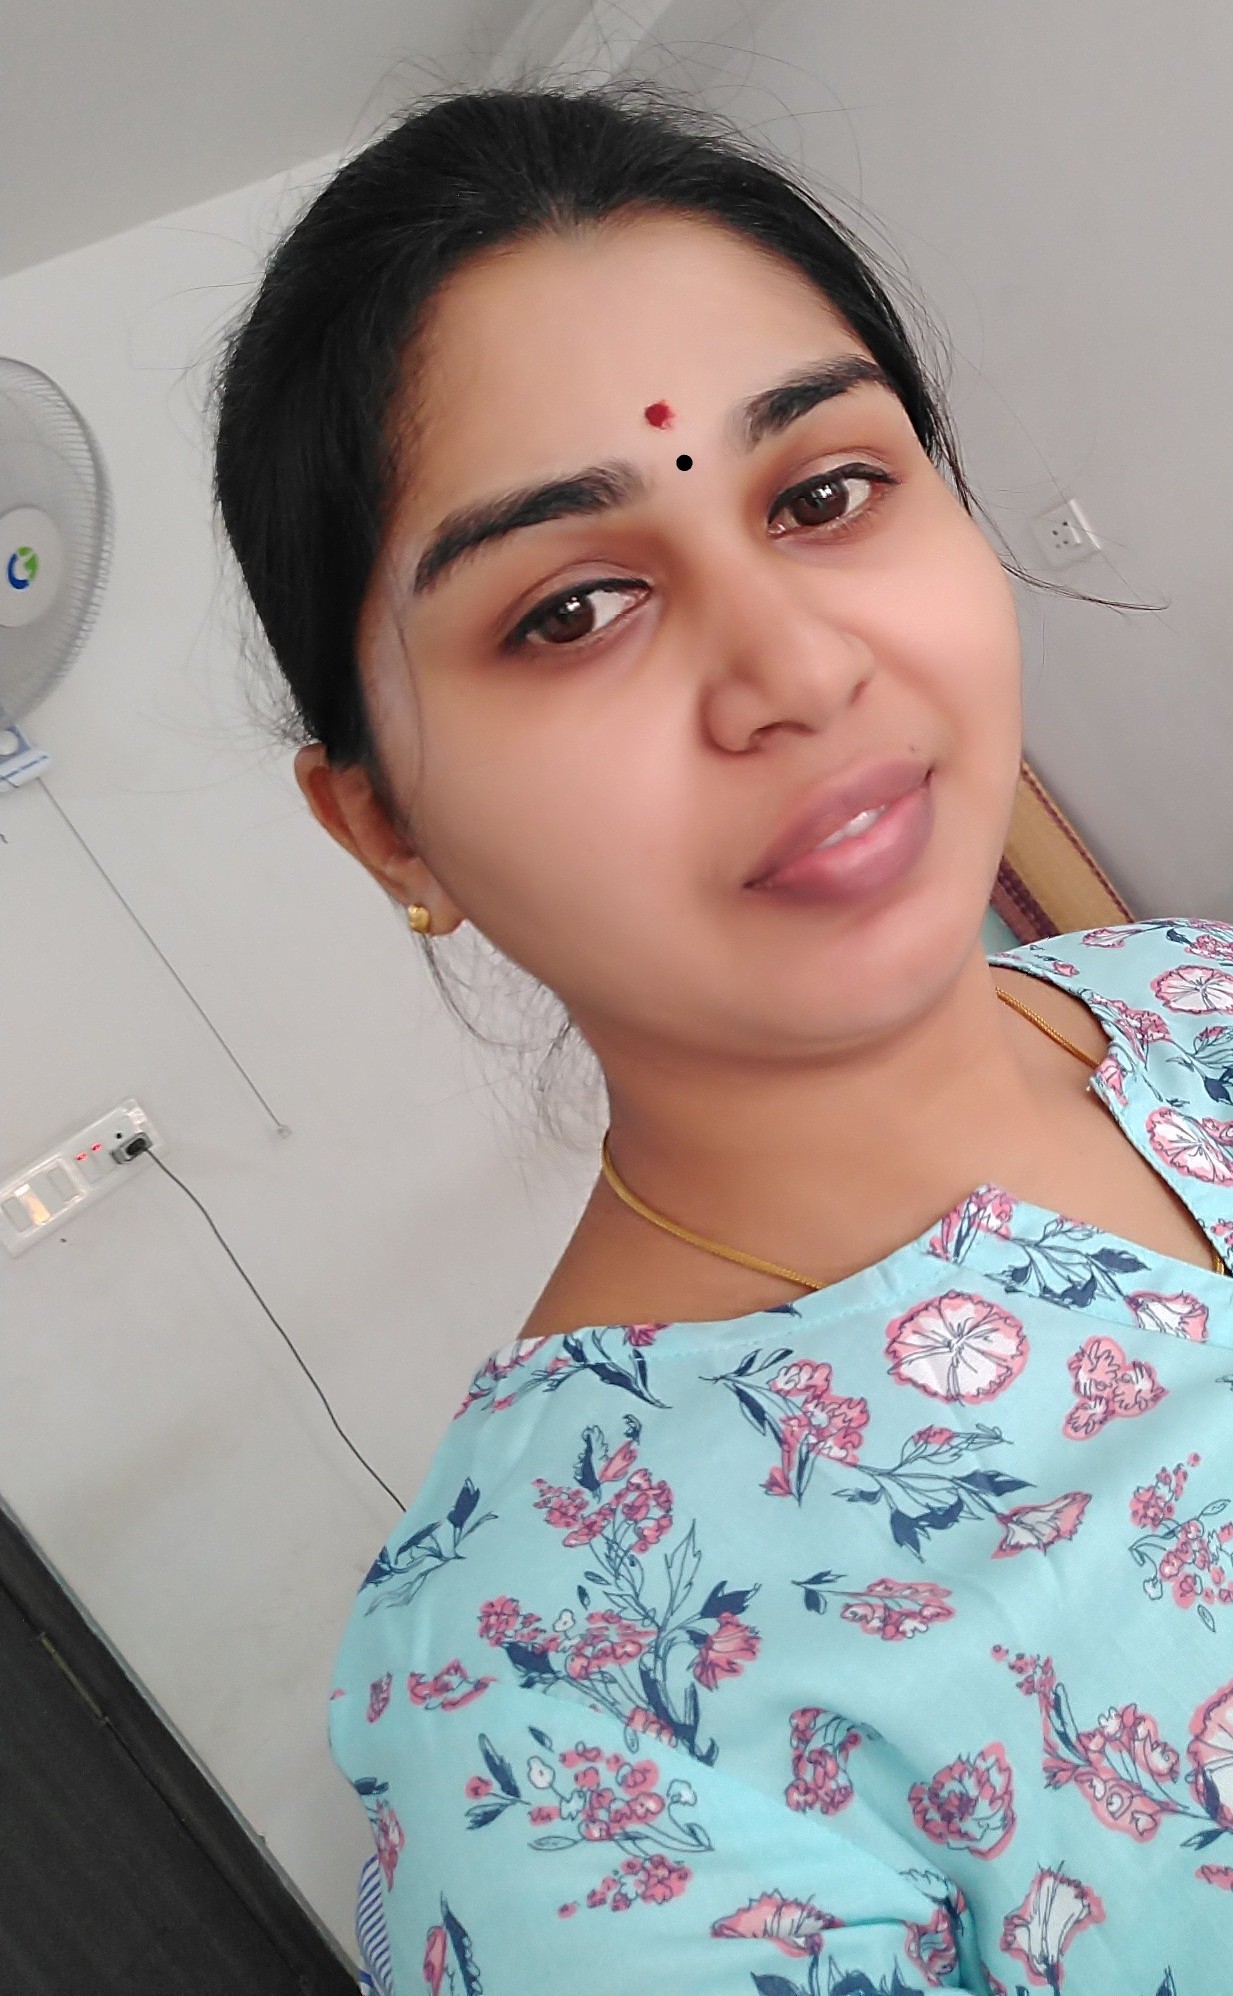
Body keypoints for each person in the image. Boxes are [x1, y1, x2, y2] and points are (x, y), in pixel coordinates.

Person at [211, 78, 1233, 1996]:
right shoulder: (566, 1727)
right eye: (572, 607)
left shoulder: (1197, 990)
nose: (795, 670)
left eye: (823, 494)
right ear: (386, 830)